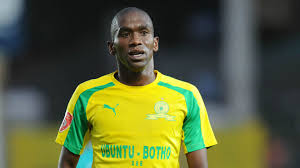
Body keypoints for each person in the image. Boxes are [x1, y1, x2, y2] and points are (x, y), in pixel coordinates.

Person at [55, 7, 217, 168]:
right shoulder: (86, 95)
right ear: (111, 47)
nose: (135, 41)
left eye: (143, 32)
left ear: (155, 43)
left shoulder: (187, 96)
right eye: (125, 34)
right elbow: (68, 163)